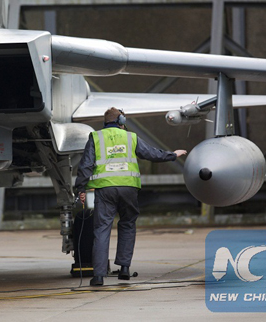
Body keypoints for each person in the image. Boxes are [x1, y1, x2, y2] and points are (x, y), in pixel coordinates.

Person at [74, 107, 187, 286]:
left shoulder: (95, 137)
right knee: (127, 225)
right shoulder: (131, 137)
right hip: (129, 189)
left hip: (104, 190)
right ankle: (124, 268)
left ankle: (98, 276)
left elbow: (85, 165)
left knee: (102, 229)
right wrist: (172, 155)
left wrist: (80, 189)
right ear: (122, 122)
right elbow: (151, 153)